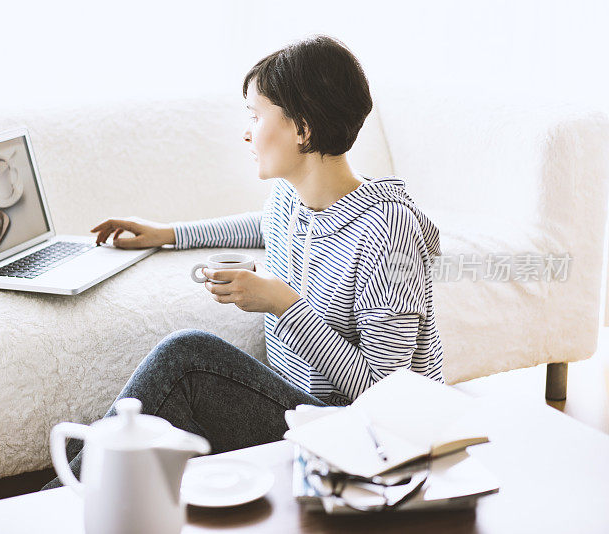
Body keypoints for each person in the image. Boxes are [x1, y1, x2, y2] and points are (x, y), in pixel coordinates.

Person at [41, 34, 444, 490]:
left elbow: (384, 395)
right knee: (121, 432)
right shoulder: (291, 200)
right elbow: (261, 225)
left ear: (303, 129)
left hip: (361, 437)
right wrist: (168, 233)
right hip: (304, 415)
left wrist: (284, 306)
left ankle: (44, 510)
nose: (247, 131)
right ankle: (66, 491)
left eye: (256, 116)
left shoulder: (388, 234)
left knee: (186, 359)